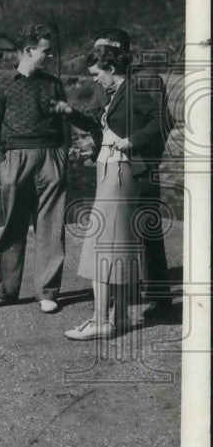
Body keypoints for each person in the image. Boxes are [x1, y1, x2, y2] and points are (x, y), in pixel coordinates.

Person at [52, 31, 174, 339]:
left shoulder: (139, 84)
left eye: (96, 72)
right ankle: (118, 315)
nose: (93, 80)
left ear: (112, 61)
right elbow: (102, 126)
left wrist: (130, 145)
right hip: (114, 169)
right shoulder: (113, 91)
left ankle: (105, 319)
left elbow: (161, 122)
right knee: (117, 245)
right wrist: (91, 144)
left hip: (130, 171)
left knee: (107, 245)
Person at [0, 23, 69, 314]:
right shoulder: (1, 85)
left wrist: (63, 157)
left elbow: (63, 124)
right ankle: (3, 291)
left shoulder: (54, 83)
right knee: (13, 226)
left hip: (51, 157)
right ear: (30, 51)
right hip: (16, 159)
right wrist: (4, 164)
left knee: (51, 228)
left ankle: (47, 292)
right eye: (46, 51)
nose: (49, 56)